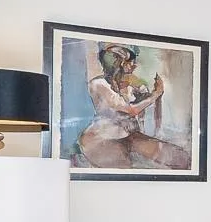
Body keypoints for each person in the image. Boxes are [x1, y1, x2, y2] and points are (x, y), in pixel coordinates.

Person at [76, 43, 193, 171]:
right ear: (118, 64)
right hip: (100, 140)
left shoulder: (127, 85)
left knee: (181, 158)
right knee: (126, 170)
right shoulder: (99, 84)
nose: (134, 66)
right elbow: (131, 110)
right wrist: (155, 94)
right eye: (129, 62)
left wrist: (148, 94)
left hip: (128, 136)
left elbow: (142, 107)